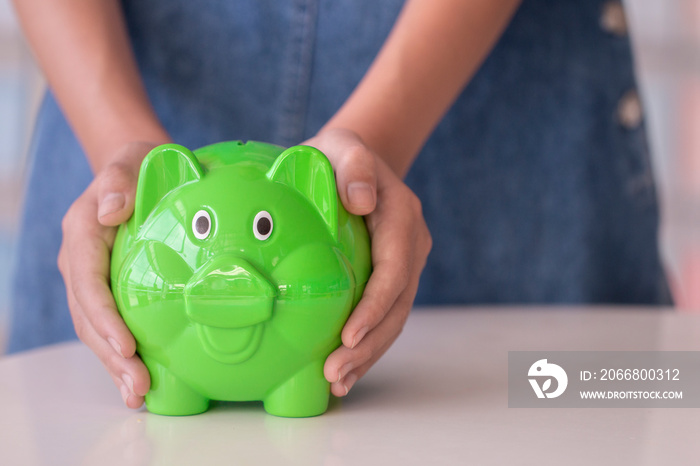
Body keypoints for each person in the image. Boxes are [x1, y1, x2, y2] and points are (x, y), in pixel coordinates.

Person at [8, 0, 671, 408]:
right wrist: (123, 147)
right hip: (112, 105)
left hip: (511, 136)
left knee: (573, 419)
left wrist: (380, 139)